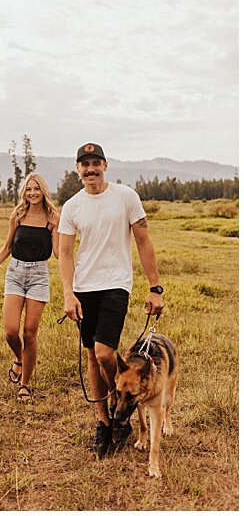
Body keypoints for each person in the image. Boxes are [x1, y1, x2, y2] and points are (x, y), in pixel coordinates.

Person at [57, 142, 163, 458]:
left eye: (96, 163)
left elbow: (144, 242)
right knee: (92, 355)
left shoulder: (125, 197)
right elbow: (64, 253)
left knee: (106, 353)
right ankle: (105, 422)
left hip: (116, 285)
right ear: (78, 168)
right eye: (84, 164)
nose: (90, 169)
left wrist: (155, 288)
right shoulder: (72, 206)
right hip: (83, 288)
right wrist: (68, 293)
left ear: (105, 165)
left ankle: (120, 401)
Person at [0, 173, 60, 401]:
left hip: (39, 275)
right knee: (11, 332)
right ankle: (20, 359)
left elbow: (57, 252)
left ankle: (25, 384)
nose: (32, 193)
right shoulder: (18, 214)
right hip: (15, 273)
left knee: (30, 333)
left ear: (43, 191)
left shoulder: (53, 218)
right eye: (28, 189)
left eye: (36, 189)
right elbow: (7, 247)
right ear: (24, 191)